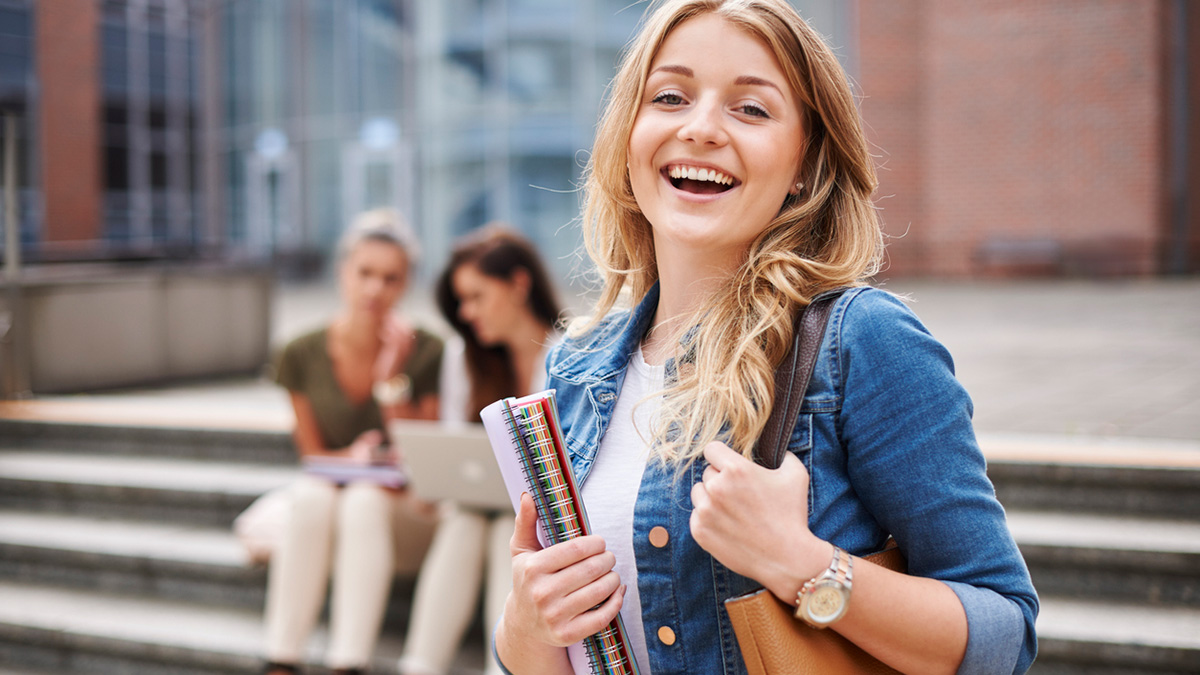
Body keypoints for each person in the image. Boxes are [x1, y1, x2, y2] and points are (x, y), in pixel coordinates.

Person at [493, 1, 1039, 674]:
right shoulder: (570, 366)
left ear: (805, 163)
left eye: (750, 109)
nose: (700, 128)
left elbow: (1003, 632)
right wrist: (525, 625)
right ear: (628, 132)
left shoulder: (860, 341)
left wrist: (804, 565)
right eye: (670, 96)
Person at [264, 208, 444, 675]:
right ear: (343, 272)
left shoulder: (425, 350)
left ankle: (349, 663)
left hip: (401, 516)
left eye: (390, 278)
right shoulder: (300, 351)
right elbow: (311, 456)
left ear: (405, 285)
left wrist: (391, 379)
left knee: (362, 498)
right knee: (310, 494)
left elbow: (422, 460)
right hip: (330, 507)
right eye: (365, 273)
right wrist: (352, 457)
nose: (374, 289)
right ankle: (281, 659)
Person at [398, 224, 563, 675]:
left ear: (518, 284)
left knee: (504, 535)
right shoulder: (463, 356)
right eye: (461, 302)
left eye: (476, 297)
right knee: (467, 521)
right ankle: (419, 665)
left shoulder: (569, 354)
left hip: (544, 519)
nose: (467, 313)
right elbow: (457, 448)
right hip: (475, 509)